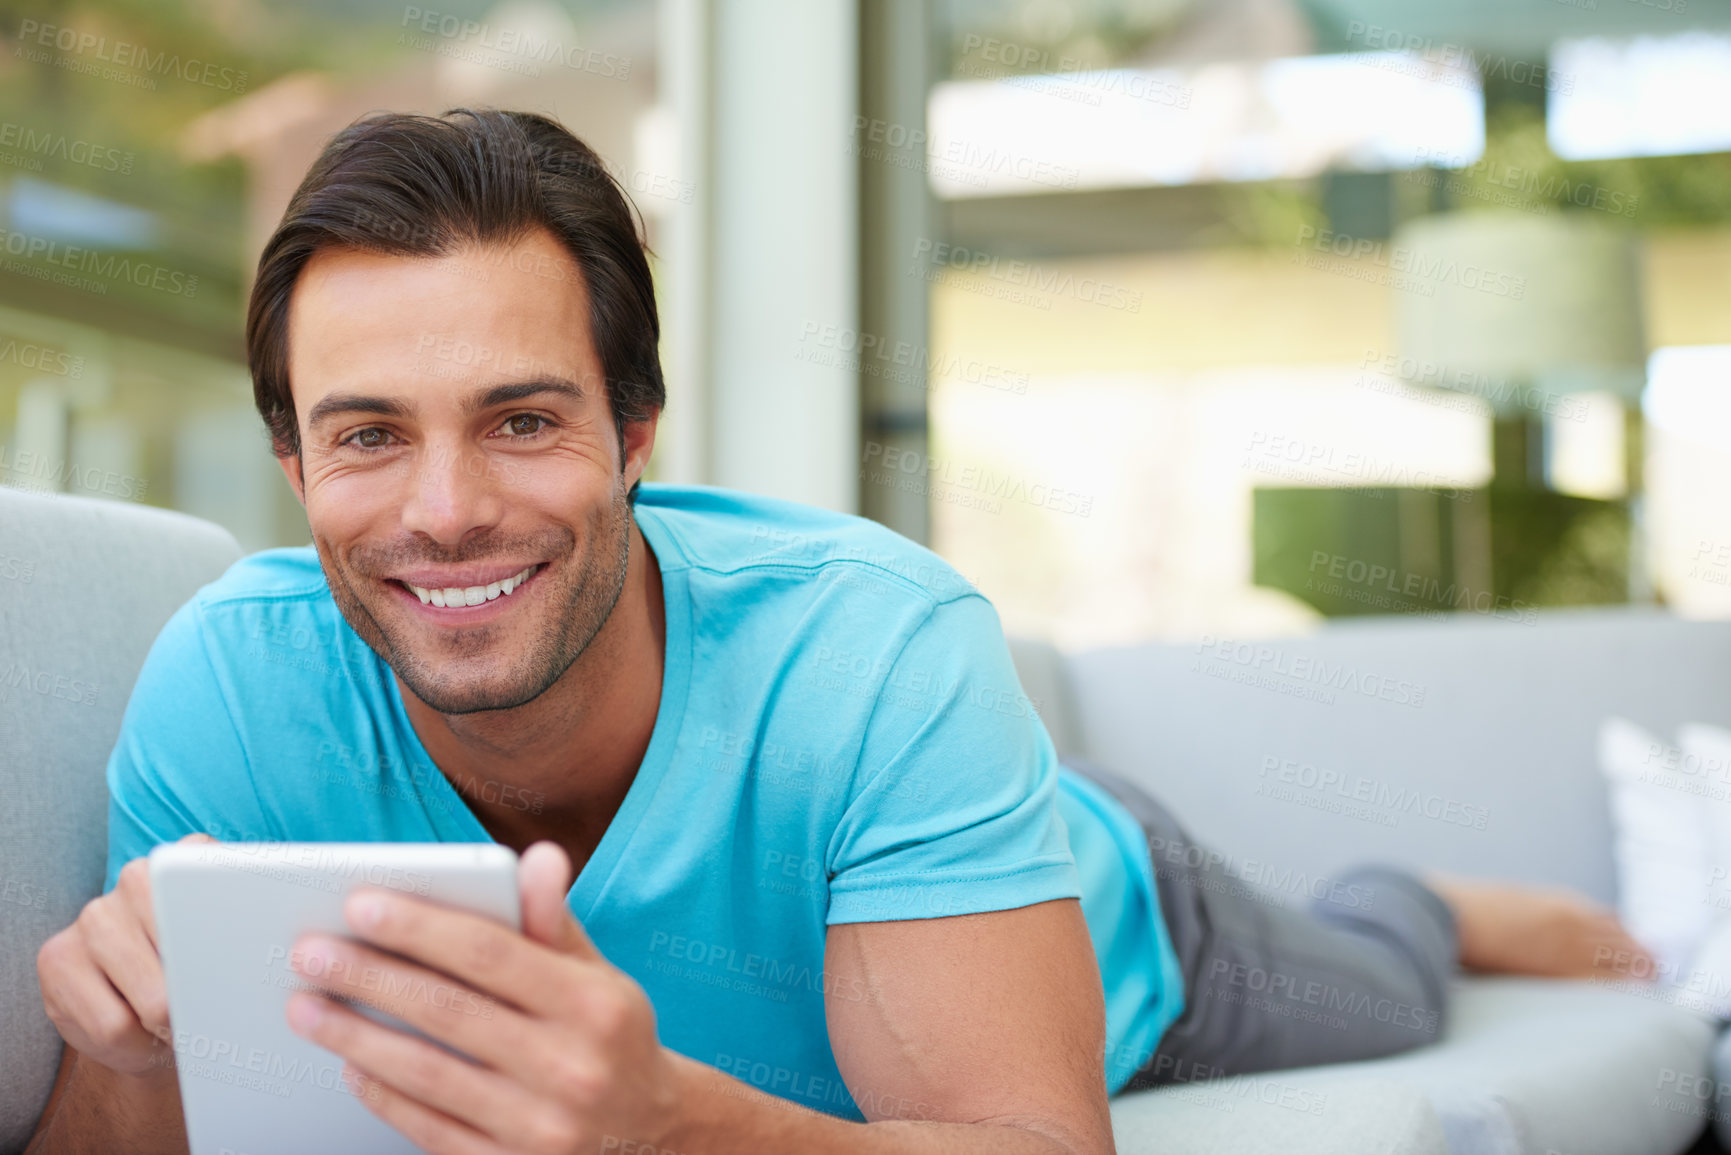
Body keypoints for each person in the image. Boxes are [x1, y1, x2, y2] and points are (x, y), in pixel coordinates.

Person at [27, 109, 1650, 1155]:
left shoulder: (880, 648)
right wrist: (126, 1055)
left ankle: (1421, 901)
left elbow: (1029, 1145)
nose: (444, 511)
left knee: (1381, 977)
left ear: (640, 428)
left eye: (521, 419)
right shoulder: (227, 692)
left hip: (1124, 916)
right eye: (370, 436)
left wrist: (661, 1125)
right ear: (296, 464)